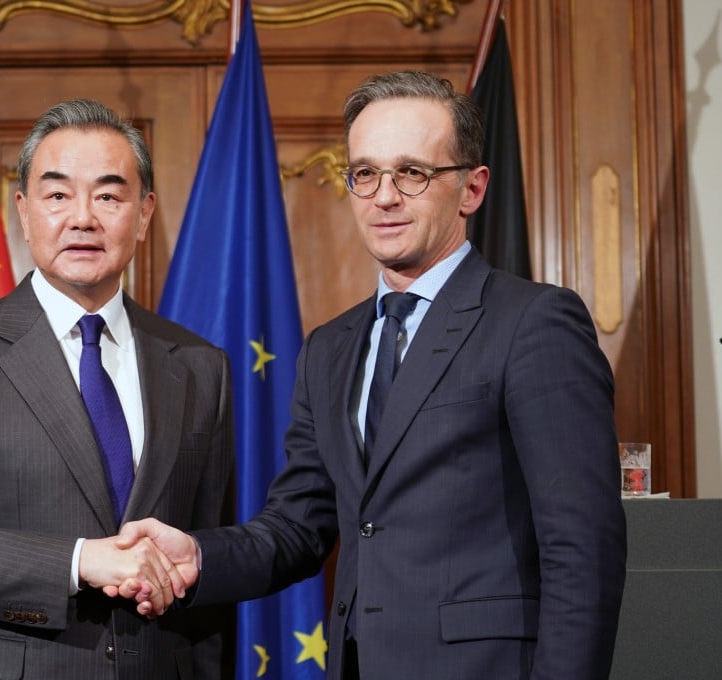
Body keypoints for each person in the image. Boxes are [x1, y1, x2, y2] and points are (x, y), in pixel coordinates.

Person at [118, 71, 627, 679]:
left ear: (471, 188)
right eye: (365, 173)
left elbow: (583, 549)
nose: (384, 197)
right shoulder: (329, 348)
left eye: (412, 173)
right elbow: (298, 527)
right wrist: (200, 556)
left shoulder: (535, 323)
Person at [0, 99, 235, 679]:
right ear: (24, 212)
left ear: (144, 214)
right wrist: (78, 560)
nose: (83, 218)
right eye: (57, 195)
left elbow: (207, 564)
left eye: (109, 196)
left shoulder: (201, 366)